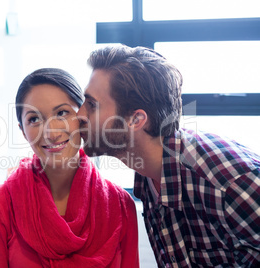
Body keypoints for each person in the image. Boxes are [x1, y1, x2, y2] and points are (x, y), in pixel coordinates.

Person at [77, 44, 260, 267]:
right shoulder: (147, 177)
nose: (79, 115)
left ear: (136, 120)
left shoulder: (229, 180)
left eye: (92, 105)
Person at [0, 68, 139, 267]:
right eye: (34, 119)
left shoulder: (121, 205)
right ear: (22, 131)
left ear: (83, 116)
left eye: (62, 113)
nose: (51, 133)